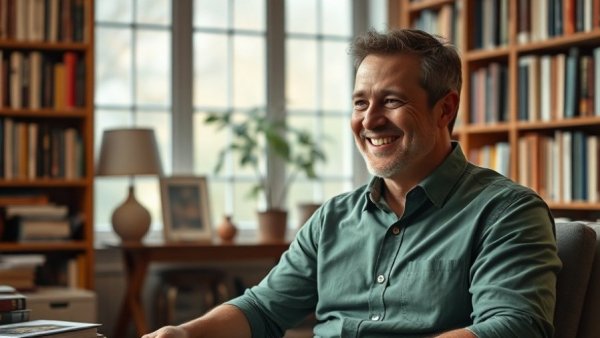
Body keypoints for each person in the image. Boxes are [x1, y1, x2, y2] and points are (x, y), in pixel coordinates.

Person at [142, 29, 561, 338]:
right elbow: (262, 310)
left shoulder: (507, 212)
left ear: (444, 109)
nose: (369, 120)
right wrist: (185, 333)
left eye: (392, 101)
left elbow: (513, 328)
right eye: (361, 102)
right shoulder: (333, 218)